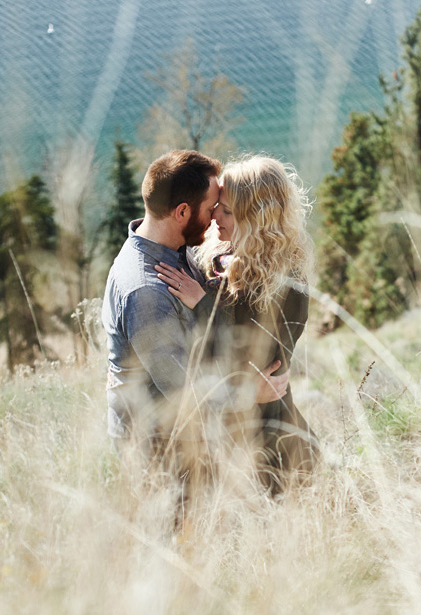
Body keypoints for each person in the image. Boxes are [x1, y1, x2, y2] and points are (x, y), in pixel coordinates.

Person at [103, 149, 290, 453]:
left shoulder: (176, 251)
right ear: (182, 212)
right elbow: (179, 393)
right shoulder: (146, 291)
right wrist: (249, 392)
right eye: (211, 207)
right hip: (159, 450)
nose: (216, 216)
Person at [154, 154, 318, 493]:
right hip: (231, 439)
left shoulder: (287, 283)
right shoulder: (227, 256)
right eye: (219, 206)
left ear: (257, 218)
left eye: (227, 211)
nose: (214, 215)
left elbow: (249, 356)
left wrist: (201, 303)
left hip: (273, 451)